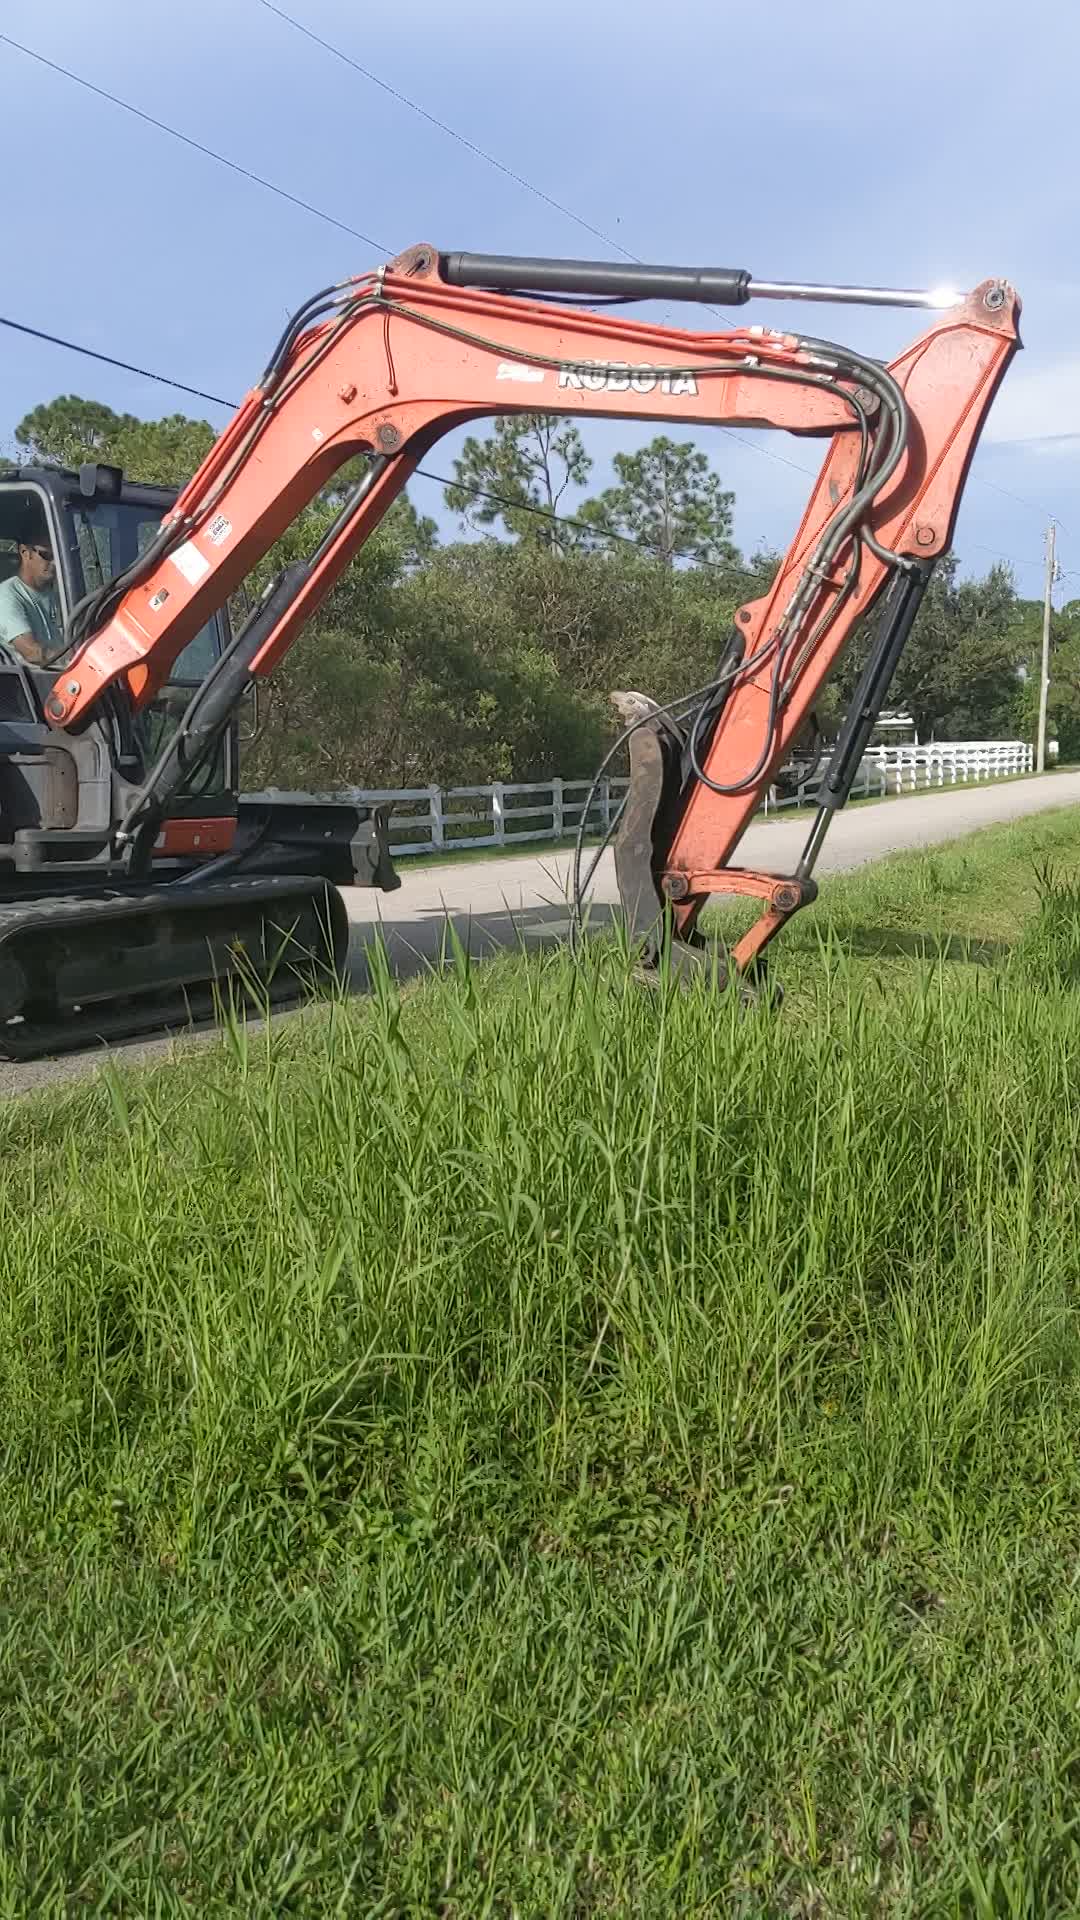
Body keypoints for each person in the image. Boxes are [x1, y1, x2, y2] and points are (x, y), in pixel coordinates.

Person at [0, 518, 61, 665]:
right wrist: (73, 661)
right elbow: (32, 653)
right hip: (32, 681)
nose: (54, 563)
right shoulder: (7, 595)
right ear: (25, 552)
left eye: (58, 556)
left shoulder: (61, 593)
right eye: (47, 555)